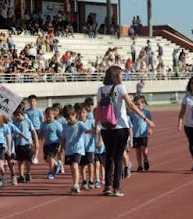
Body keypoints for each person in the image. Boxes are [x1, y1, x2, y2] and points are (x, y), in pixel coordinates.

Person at [94, 66, 154, 197]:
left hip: (105, 128)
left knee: (109, 156)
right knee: (119, 157)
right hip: (120, 127)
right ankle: (117, 187)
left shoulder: (101, 90)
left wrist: (95, 125)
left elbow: (97, 110)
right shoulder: (120, 88)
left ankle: (107, 187)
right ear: (115, 76)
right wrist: (146, 119)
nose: (123, 76)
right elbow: (131, 105)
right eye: (121, 74)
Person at [60, 104, 90, 193]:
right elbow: (63, 137)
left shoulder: (80, 124)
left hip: (78, 148)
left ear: (75, 115)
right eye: (67, 119)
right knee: (72, 167)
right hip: (69, 149)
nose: (68, 120)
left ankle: (76, 184)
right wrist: (62, 147)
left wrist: (94, 131)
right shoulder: (65, 126)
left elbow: (87, 130)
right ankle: (75, 183)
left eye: (70, 118)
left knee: (75, 165)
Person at [13, 105, 39, 183]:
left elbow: (33, 131)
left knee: (27, 161)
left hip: (27, 144)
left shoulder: (27, 121)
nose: (17, 117)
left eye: (18, 115)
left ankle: (28, 173)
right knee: (20, 161)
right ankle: (21, 175)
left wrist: (36, 141)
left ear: (23, 114)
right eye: (15, 116)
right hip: (19, 144)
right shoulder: (15, 123)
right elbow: (14, 134)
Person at [130, 94, 153, 172]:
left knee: (143, 149)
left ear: (143, 104)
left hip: (143, 134)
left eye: (138, 104)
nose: (137, 106)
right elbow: (130, 123)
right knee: (137, 150)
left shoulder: (146, 112)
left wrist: (150, 129)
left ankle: (145, 159)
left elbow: (151, 123)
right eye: (135, 104)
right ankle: (140, 166)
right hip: (135, 134)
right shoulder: (132, 113)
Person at [39, 107, 63, 179]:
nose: (48, 118)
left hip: (54, 143)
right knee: (47, 159)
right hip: (46, 143)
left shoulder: (57, 124)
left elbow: (61, 134)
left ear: (54, 115)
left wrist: (61, 145)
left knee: (50, 157)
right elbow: (41, 132)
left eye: (49, 117)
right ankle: (56, 164)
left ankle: (51, 172)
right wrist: (39, 139)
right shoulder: (43, 124)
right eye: (46, 117)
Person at [25, 94, 44, 164]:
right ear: (28, 102)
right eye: (30, 101)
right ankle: (32, 155)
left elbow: (42, 120)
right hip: (29, 130)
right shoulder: (26, 111)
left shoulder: (39, 111)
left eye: (33, 101)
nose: (32, 103)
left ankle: (35, 157)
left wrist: (43, 130)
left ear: (36, 102)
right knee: (30, 144)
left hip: (37, 129)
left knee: (36, 144)